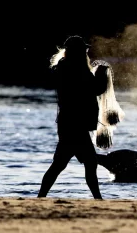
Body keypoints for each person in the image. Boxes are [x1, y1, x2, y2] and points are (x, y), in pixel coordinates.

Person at [38, 35, 109, 199]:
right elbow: (95, 89)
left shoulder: (65, 68)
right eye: (83, 50)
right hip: (74, 126)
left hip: (68, 124)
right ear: (77, 52)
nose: (86, 52)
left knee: (60, 165)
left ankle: (41, 197)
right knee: (87, 163)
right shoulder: (75, 69)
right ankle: (98, 198)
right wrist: (101, 74)